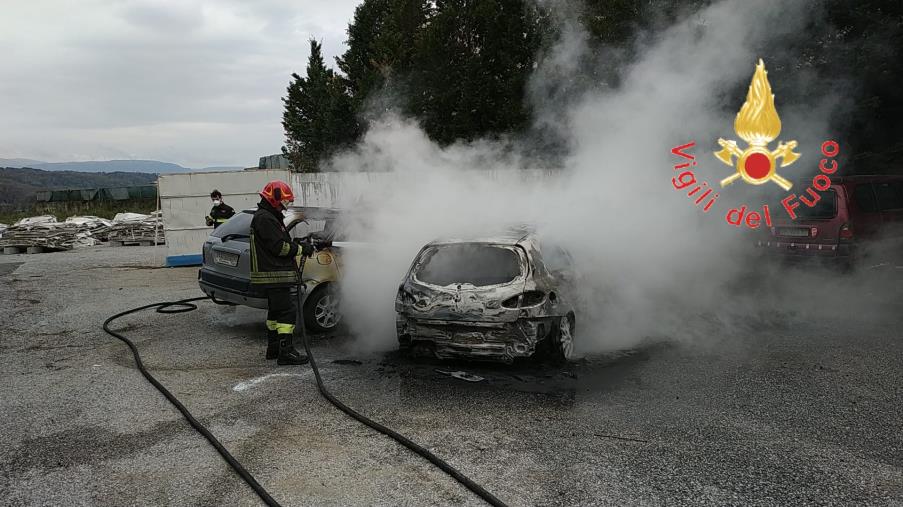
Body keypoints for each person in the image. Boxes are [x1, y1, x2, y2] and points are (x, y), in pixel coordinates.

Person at [250, 180, 313, 365]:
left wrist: (297, 243)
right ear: (274, 199)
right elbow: (280, 248)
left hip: (271, 274)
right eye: (284, 201)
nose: (286, 206)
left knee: (275, 312)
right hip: (275, 273)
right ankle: (286, 352)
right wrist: (301, 249)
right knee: (286, 312)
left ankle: (274, 348)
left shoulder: (267, 216)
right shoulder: (266, 218)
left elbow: (277, 242)